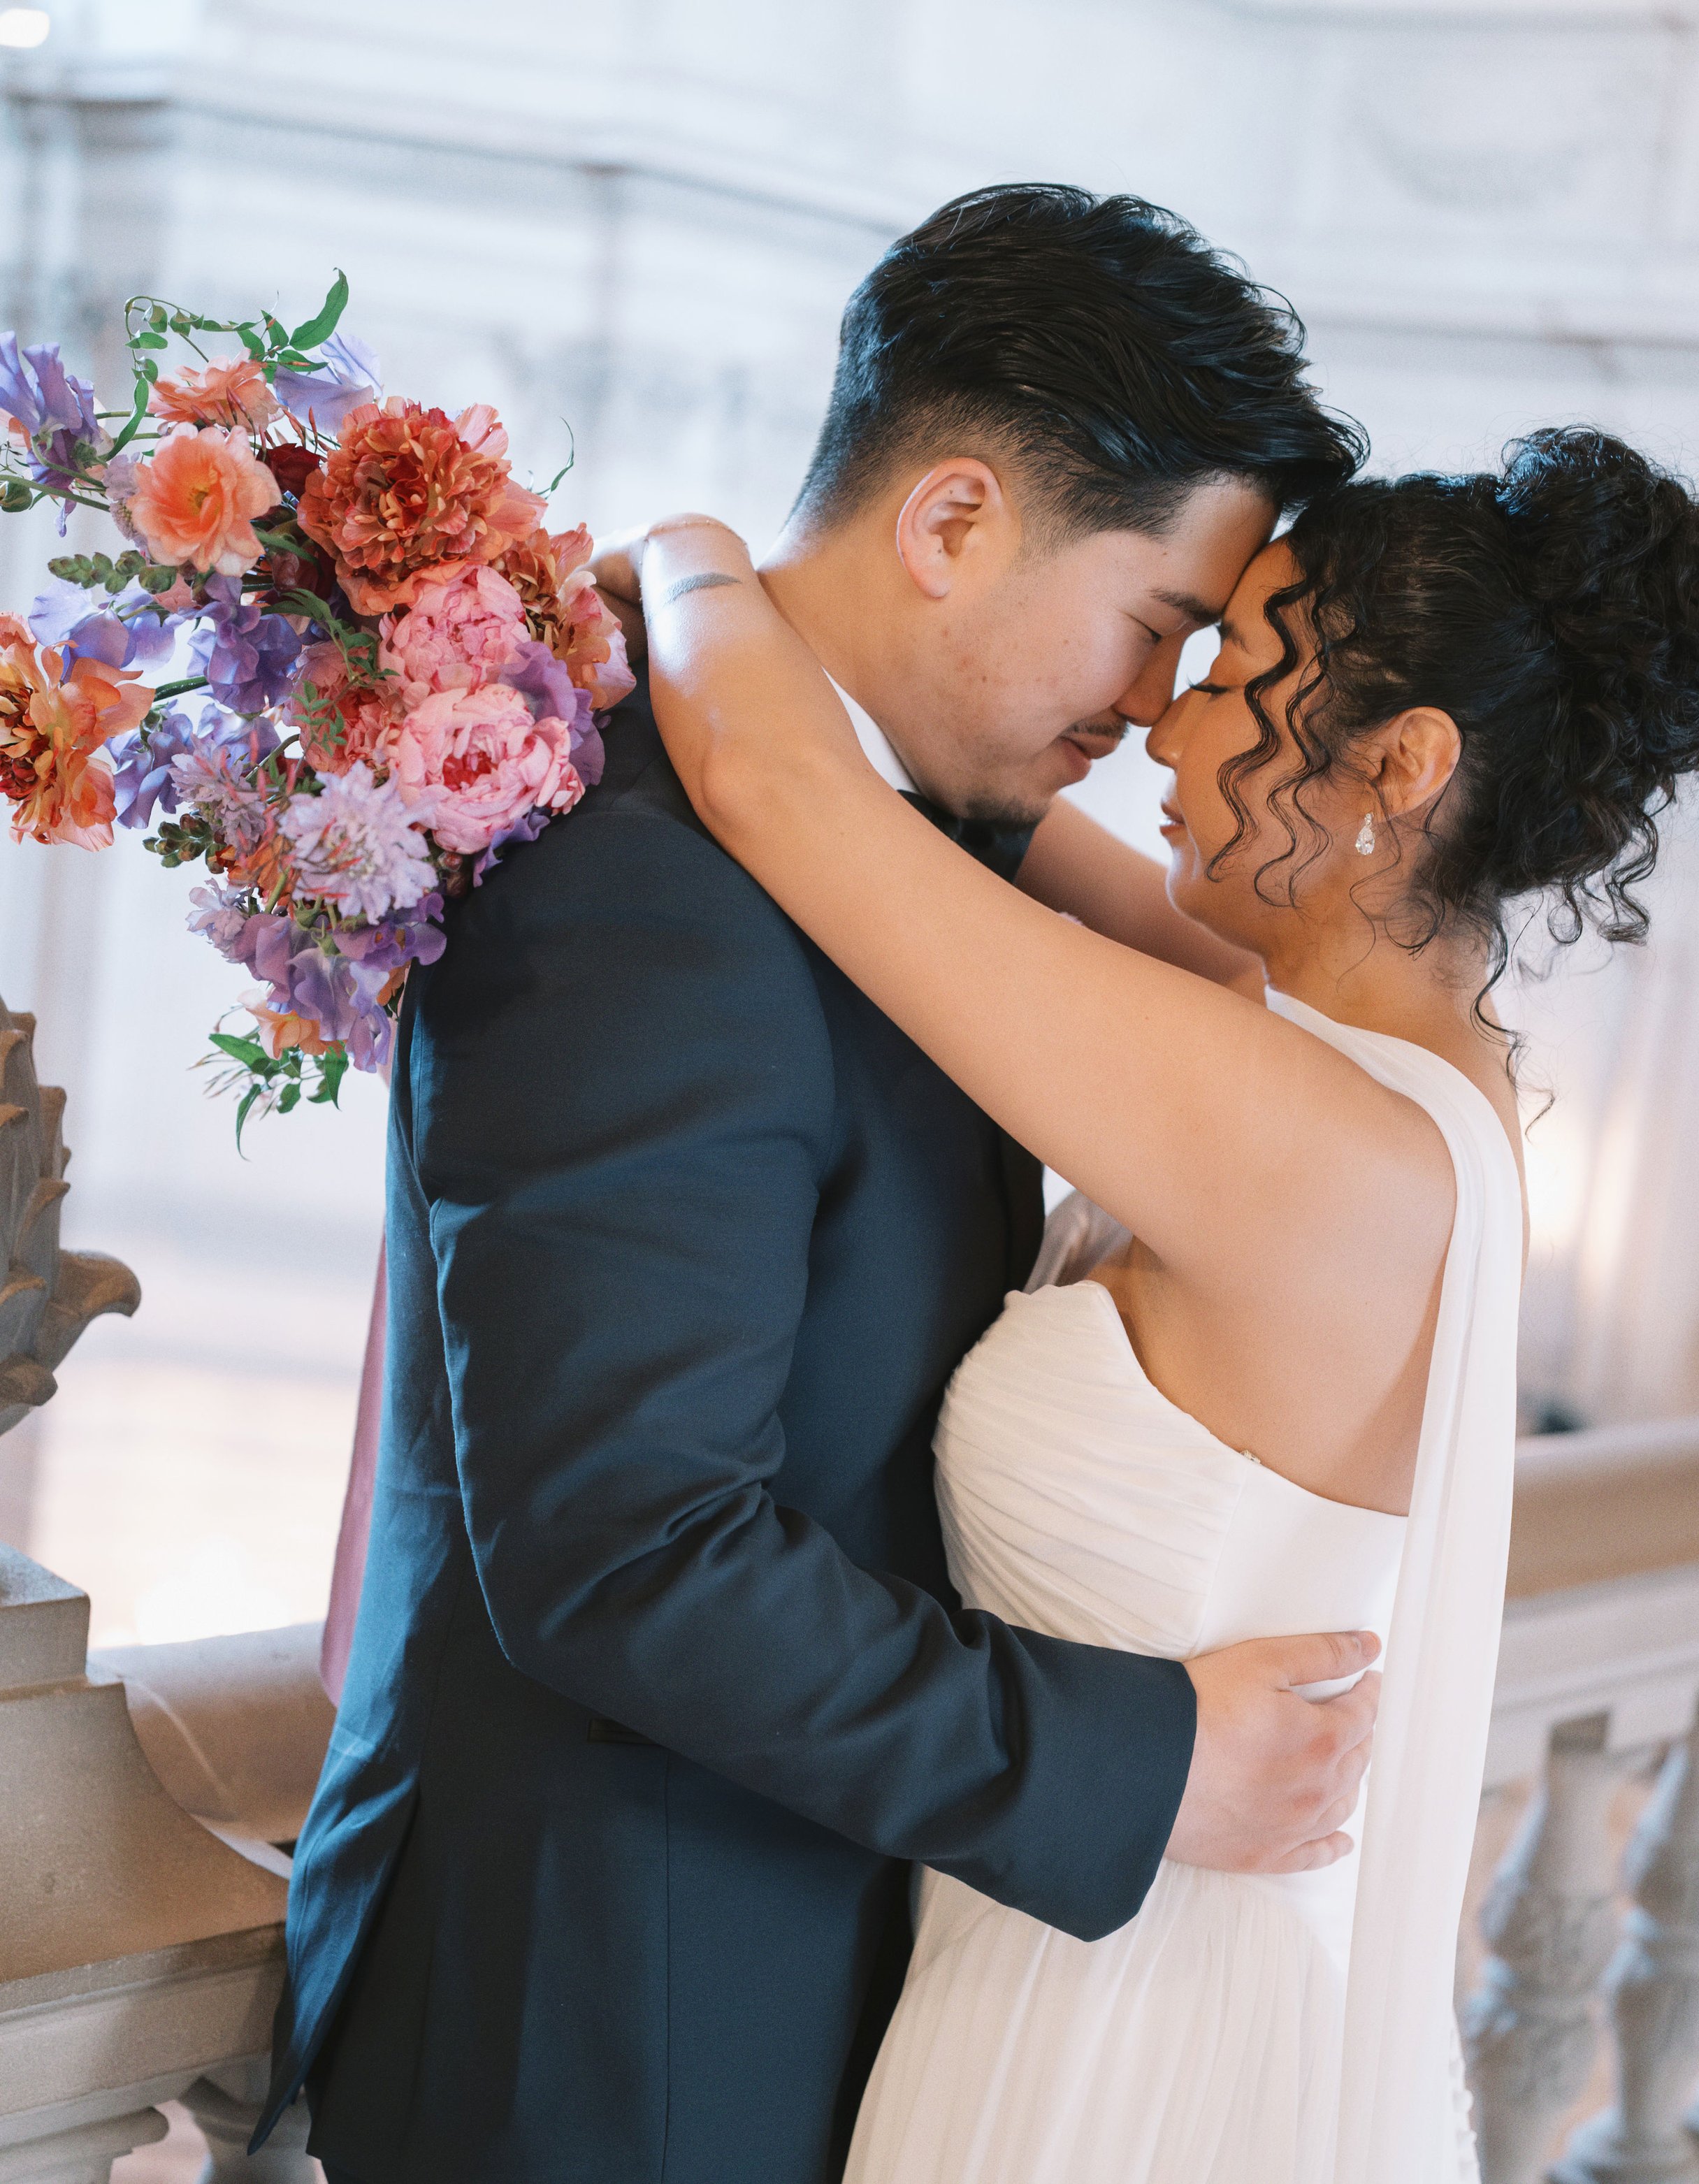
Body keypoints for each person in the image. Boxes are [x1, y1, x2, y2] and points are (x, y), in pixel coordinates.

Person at [256, 186, 1382, 2184]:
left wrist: (693, 569)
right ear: (952, 522)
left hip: (772, 1962)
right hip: (606, 2017)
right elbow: (623, 1541)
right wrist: (1148, 1760)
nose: (1152, 711)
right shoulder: (645, 875)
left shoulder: (872, 829)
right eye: (1155, 623)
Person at [614, 423, 1699, 2181]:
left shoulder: (1305, 1139)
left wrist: (682, 540)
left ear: (1401, 761)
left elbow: (784, 792)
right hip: (1098, 1953)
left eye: (1230, 671)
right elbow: (975, 815)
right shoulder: (1368, 1070)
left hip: (1124, 2043)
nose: (1164, 716)